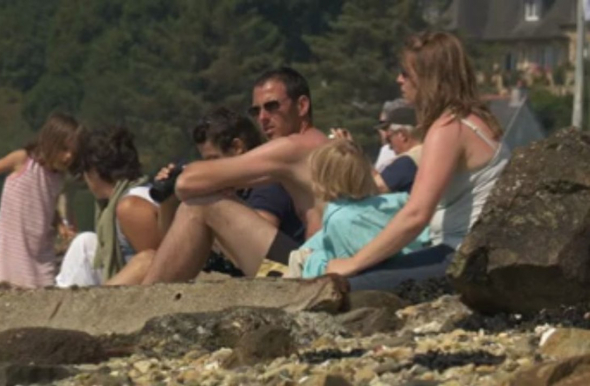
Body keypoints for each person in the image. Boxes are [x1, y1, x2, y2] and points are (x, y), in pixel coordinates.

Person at [326, 31, 510, 291]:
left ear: (428, 79)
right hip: (477, 254)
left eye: (406, 72)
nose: (399, 79)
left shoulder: (448, 129)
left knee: (346, 286)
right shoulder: (476, 120)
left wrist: (352, 263)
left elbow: (416, 215)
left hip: (459, 258)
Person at [140, 67, 328, 284]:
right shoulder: (320, 146)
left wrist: (185, 172)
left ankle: (146, 303)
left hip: (309, 272)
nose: (263, 118)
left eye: (272, 106)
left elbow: (185, 183)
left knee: (199, 205)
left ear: (302, 105)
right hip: (312, 263)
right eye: (256, 111)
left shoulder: (294, 147)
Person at [108, 107, 305, 284]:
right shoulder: (233, 188)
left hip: (278, 272)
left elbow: (255, 239)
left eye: (213, 160)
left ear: (237, 148)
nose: (210, 168)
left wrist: (208, 208)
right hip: (252, 272)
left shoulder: (266, 181)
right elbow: (168, 248)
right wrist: (169, 200)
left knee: (198, 206)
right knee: (146, 258)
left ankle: (144, 307)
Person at [0, 112, 84, 289]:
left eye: (73, 152)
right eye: (64, 149)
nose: (68, 156)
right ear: (50, 143)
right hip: (12, 240)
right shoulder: (23, 160)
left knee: (42, 289)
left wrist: (60, 224)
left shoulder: (58, 178)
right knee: (1, 285)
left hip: (39, 246)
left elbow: (48, 206)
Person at [286, 139, 426, 278]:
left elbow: (352, 267)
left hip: (379, 277)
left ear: (322, 179)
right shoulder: (398, 200)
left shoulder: (340, 219)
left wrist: (314, 261)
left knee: (300, 259)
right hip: (418, 260)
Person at [55, 127, 162, 287]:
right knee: (85, 243)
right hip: (130, 283)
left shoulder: (130, 207)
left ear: (93, 172)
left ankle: (71, 307)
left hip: (141, 293)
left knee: (83, 244)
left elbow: (159, 267)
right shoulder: (139, 193)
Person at [374, 106, 423, 193]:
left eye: (390, 137)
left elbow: (373, 187)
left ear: (402, 135)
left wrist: (352, 151)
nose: (389, 145)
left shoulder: (407, 162)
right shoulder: (430, 151)